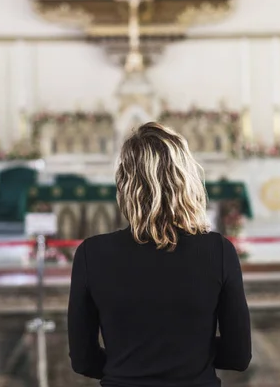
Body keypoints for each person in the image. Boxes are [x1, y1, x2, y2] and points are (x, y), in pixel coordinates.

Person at [68, 122, 252, 386]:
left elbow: (83, 360)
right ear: (185, 180)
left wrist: (128, 364)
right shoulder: (218, 250)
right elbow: (239, 356)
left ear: (124, 183)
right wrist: (191, 354)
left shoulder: (91, 254)